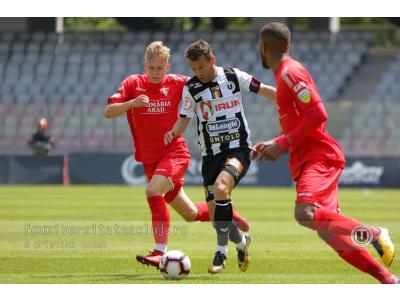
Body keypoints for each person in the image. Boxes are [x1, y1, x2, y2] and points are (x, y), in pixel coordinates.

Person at [253, 22, 398, 284]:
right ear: (288, 45)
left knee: (304, 214)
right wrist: (275, 141)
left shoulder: (290, 73)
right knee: (328, 232)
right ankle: (388, 281)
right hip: (307, 155)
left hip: (318, 156)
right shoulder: (285, 74)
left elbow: (319, 114)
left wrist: (283, 143)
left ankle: (374, 233)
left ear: (263, 48)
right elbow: (302, 120)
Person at [104, 41, 249, 269]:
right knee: (190, 214)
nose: (155, 73)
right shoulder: (132, 84)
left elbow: (206, 77)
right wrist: (132, 103)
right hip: (150, 159)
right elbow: (108, 111)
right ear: (145, 64)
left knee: (153, 191)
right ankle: (227, 214)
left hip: (174, 153)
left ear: (167, 66)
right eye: (151, 68)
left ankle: (159, 251)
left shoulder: (178, 83)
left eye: (160, 68)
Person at [164, 39, 276, 274]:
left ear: (212, 60)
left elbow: (264, 89)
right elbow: (184, 118)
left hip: (238, 149)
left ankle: (220, 253)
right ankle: (243, 242)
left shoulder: (233, 77)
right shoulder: (191, 88)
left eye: (201, 68)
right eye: (193, 69)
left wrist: (291, 101)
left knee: (222, 187)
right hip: (210, 155)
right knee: (218, 221)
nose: (198, 73)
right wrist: (174, 132)